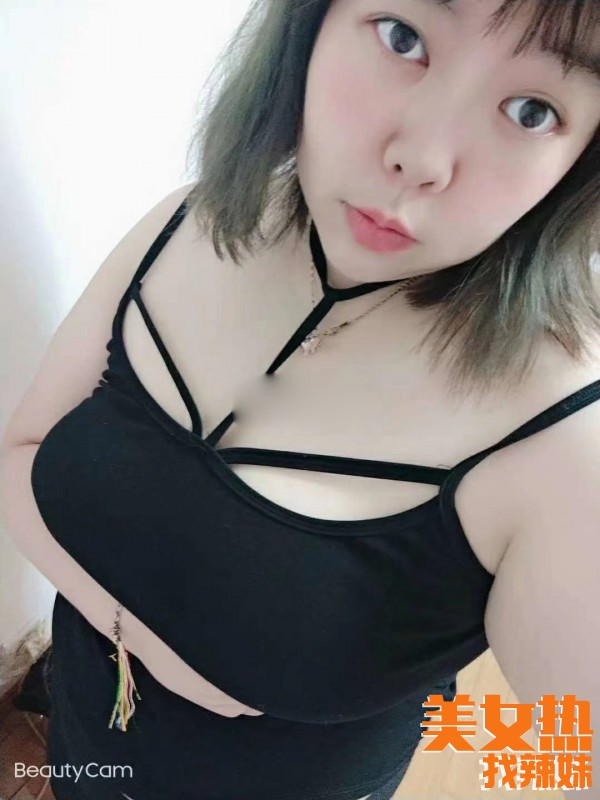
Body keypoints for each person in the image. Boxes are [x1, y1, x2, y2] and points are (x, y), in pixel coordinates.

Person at [2, 0, 600, 798]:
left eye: (532, 110)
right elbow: (21, 454)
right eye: (404, 37)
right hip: (80, 752)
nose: (421, 156)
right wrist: (162, 655)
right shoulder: (187, 223)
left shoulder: (560, 443)